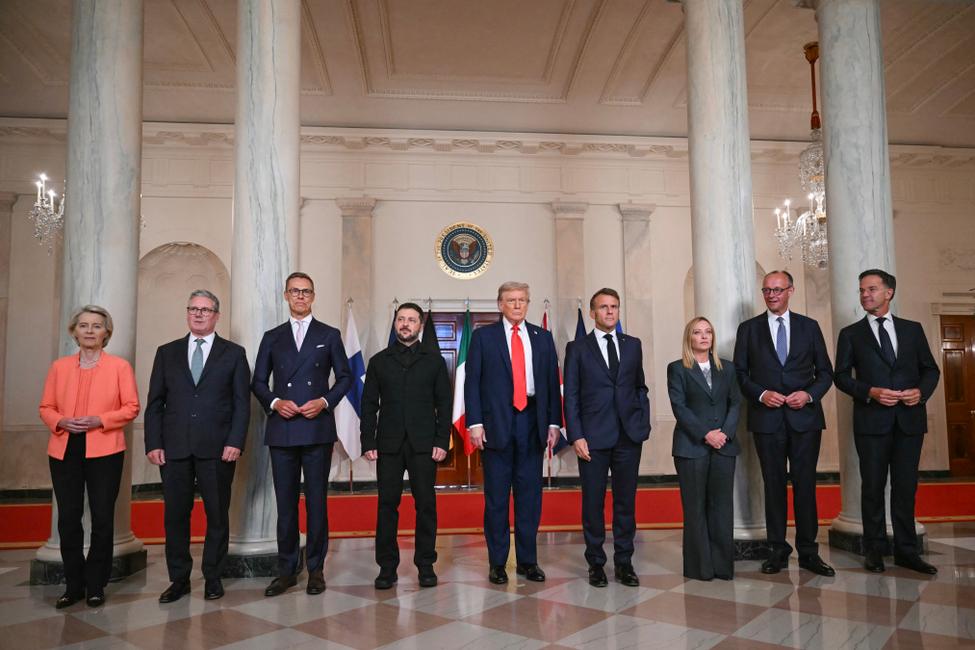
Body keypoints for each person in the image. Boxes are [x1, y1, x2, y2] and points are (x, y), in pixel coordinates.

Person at [145, 290, 250, 603]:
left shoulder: (234, 353)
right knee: (175, 516)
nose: (199, 314)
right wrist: (153, 443)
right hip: (174, 448)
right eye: (193, 309)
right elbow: (155, 403)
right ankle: (178, 579)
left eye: (206, 310)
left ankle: (213, 577)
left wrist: (235, 441)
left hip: (218, 449)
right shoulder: (167, 352)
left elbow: (242, 404)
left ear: (217, 315)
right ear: (187, 313)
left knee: (217, 516)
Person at [252, 272, 353, 596]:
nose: (300, 296)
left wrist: (324, 402)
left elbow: (345, 377)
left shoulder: (330, 334)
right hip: (282, 428)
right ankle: (286, 569)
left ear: (313, 296)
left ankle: (316, 569)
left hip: (316, 427)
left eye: (306, 291)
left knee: (317, 503)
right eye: (294, 291)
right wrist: (275, 401)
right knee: (285, 505)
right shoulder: (272, 336)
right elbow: (257, 381)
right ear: (286, 295)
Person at [834, 269, 941, 575]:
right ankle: (875, 550)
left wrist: (920, 392)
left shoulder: (913, 330)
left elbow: (931, 369)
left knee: (906, 487)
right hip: (871, 422)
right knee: (872, 487)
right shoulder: (851, 334)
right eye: (861, 290)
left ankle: (907, 551)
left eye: (871, 289)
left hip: (909, 421)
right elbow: (840, 377)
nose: (865, 295)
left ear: (888, 293)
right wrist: (870, 392)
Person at [733, 270, 835, 576]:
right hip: (767, 420)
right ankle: (777, 551)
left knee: (805, 486)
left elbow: (826, 373)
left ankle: (808, 553)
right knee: (773, 486)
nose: (772, 295)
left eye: (778, 290)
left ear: (790, 290)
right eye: (766, 290)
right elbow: (739, 374)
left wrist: (808, 394)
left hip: (805, 420)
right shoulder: (748, 329)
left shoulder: (809, 327)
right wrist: (762, 394)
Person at [39, 305, 140, 609]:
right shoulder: (59, 367)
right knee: (68, 518)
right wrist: (60, 421)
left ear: (106, 332)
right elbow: (45, 407)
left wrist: (100, 420)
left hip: (105, 449)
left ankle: (96, 584)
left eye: (96, 326)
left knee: (102, 517)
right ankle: (73, 585)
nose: (89, 331)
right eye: (83, 326)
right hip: (64, 448)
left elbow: (132, 407)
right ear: (74, 331)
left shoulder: (119, 367)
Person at [465, 281, 561, 584]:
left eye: (522, 300)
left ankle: (528, 561)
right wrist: (475, 423)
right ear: (499, 304)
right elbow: (473, 383)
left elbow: (550, 384)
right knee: (496, 498)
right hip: (496, 425)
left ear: (528, 303)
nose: (517, 305)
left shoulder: (543, 338)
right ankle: (497, 562)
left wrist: (554, 423)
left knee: (529, 497)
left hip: (532, 422)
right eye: (511, 300)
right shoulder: (484, 338)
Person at [360, 302, 452, 589]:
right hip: (388, 444)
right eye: (401, 319)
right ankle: (386, 568)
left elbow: (445, 404)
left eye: (411, 320)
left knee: (426, 505)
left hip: (425, 444)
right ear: (395, 323)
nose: (405, 324)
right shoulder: (379, 361)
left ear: (420, 325)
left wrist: (441, 440)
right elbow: (368, 405)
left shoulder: (434, 361)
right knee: (387, 505)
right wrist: (367, 441)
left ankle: (426, 565)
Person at [563, 288, 650, 587]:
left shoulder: (633, 345)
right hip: (593, 439)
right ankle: (596, 564)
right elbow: (570, 396)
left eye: (614, 306)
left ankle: (624, 563)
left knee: (626, 503)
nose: (610, 312)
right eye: (603, 307)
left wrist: (642, 424)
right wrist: (576, 435)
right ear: (592, 313)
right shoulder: (577, 348)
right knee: (593, 504)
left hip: (628, 437)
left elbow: (640, 387)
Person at [667, 317, 741, 581]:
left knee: (722, 508)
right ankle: (701, 568)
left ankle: (722, 567)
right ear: (689, 338)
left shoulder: (728, 369)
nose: (704, 336)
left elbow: (735, 403)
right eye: (698, 332)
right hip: (691, 447)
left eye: (708, 331)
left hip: (724, 446)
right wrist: (706, 434)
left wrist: (725, 434)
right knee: (695, 508)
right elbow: (680, 407)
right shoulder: (677, 369)